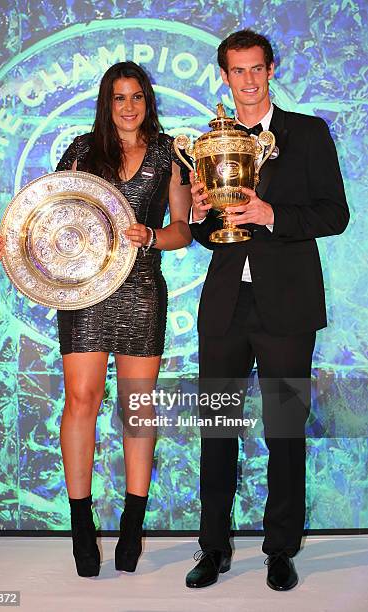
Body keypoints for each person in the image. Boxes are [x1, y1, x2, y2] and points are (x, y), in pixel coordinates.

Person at [0, 61, 192, 577]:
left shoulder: (171, 154)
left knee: (137, 410)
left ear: (148, 101)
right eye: (119, 98)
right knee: (81, 399)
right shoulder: (82, 150)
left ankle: (131, 524)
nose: (128, 108)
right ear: (107, 103)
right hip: (83, 295)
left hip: (142, 291)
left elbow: (182, 231)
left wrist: (151, 236)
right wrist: (13, 243)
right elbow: (48, 215)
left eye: (137, 98)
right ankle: (81, 525)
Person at [185, 29, 349, 591]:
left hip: (288, 305)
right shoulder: (211, 141)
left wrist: (270, 213)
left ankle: (280, 549)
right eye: (237, 71)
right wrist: (204, 213)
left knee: (284, 428)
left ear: (271, 70)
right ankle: (213, 548)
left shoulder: (307, 133)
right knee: (217, 429)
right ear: (225, 77)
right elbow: (208, 234)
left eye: (257, 69)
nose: (248, 80)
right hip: (226, 306)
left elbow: (335, 214)